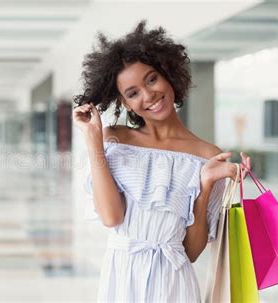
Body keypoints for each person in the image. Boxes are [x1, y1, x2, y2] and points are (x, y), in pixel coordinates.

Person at [72, 20, 251, 302]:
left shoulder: (206, 154)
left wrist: (205, 187)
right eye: (133, 93)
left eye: (152, 79)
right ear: (124, 103)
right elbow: (111, 216)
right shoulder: (115, 139)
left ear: (168, 75)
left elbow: (190, 252)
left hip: (174, 284)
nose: (149, 95)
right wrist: (94, 139)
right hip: (122, 278)